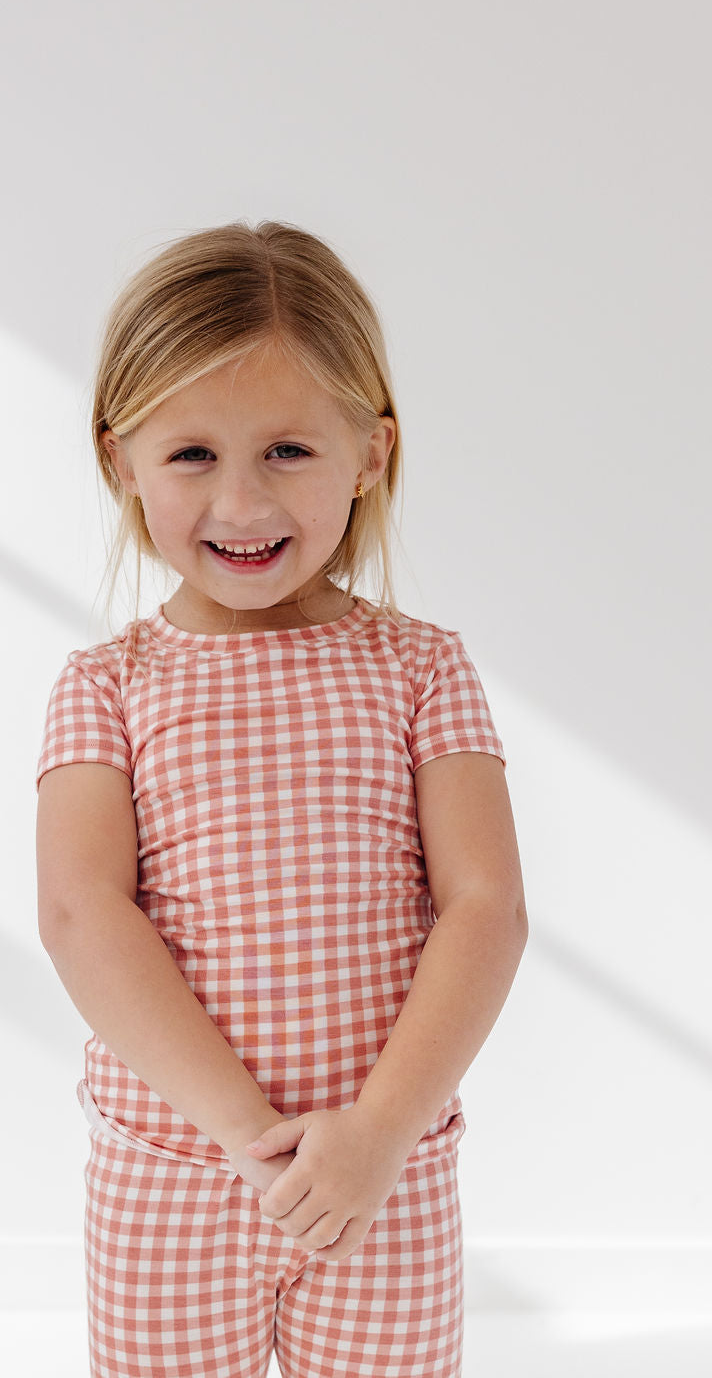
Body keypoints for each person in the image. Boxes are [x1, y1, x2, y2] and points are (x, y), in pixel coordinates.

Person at [35, 220, 528, 1378]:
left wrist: (375, 1135)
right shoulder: (106, 683)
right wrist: (248, 1142)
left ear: (369, 450)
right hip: (174, 1172)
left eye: (290, 450)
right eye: (192, 454)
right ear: (121, 461)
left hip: (381, 1178)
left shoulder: (420, 667)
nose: (243, 501)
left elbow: (485, 907)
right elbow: (80, 914)